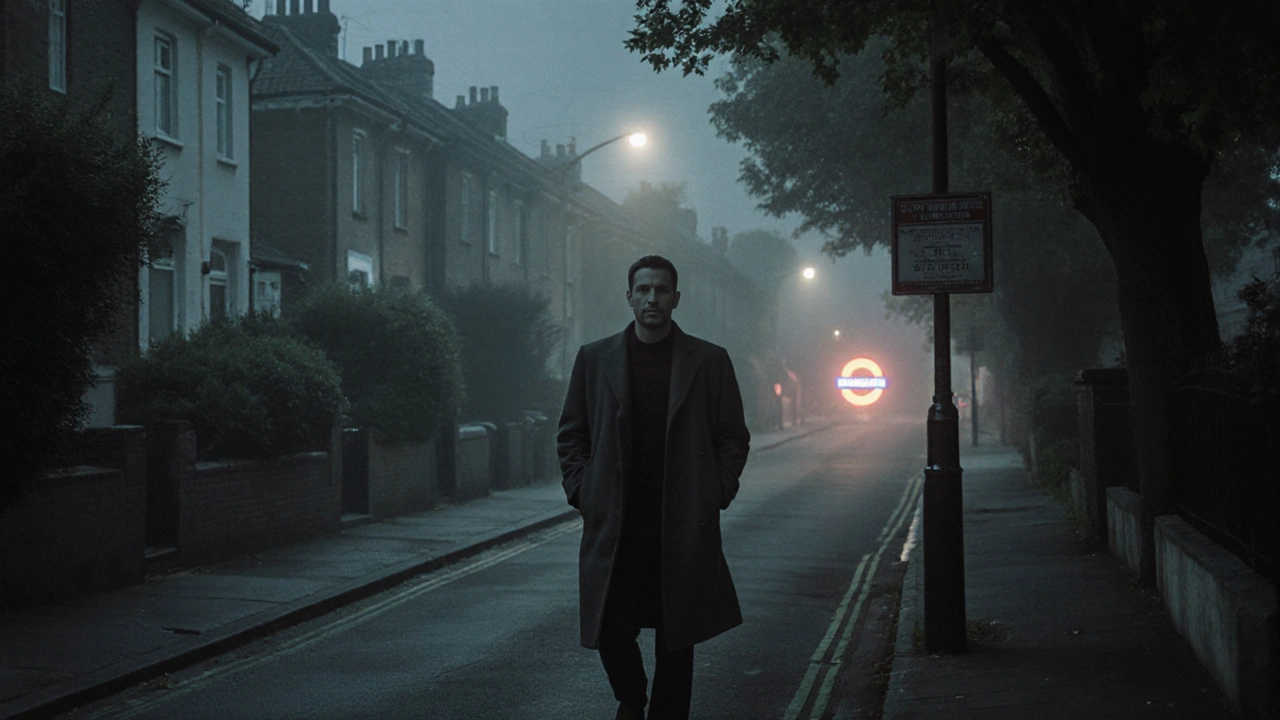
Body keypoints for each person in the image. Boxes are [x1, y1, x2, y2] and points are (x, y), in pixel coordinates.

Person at [558, 255, 751, 720]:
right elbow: (571, 434)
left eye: (662, 290)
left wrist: (716, 491)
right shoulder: (594, 358)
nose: (652, 298)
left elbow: (733, 436)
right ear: (629, 298)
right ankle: (631, 695)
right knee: (610, 626)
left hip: (681, 521)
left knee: (677, 636)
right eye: (643, 290)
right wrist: (584, 490)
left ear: (676, 299)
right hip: (618, 523)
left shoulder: (708, 360)